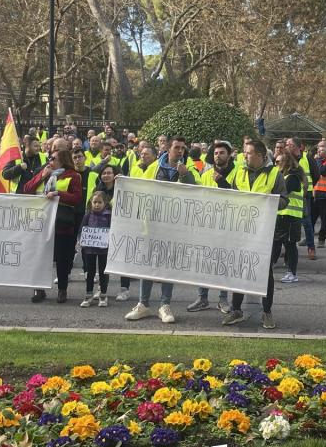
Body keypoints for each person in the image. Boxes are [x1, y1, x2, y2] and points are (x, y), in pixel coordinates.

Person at [124, 136, 196, 323]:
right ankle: (143, 304)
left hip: (173, 227)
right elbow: (140, 189)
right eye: (177, 147)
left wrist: (185, 175)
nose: (180, 151)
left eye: (182, 148)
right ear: (168, 149)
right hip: (151, 225)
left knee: (167, 267)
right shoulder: (154, 167)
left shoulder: (189, 169)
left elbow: (195, 193)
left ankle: (165, 305)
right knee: (147, 266)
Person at [222, 139, 287, 329]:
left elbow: (284, 201)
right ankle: (236, 310)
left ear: (260, 155)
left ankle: (267, 312)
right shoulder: (238, 172)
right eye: (244, 152)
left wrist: (268, 201)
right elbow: (231, 196)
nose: (244, 155)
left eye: (248, 153)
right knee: (239, 270)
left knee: (265, 274)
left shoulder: (275, 175)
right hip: (240, 231)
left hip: (263, 233)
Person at [24, 149, 83, 304]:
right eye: (49, 157)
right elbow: (27, 189)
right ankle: (39, 289)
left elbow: (76, 198)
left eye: (53, 158)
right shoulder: (45, 173)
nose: (50, 160)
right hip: (42, 223)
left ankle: (62, 290)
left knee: (62, 260)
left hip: (62, 224)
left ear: (62, 160)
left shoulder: (73, 175)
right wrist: (42, 176)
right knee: (40, 258)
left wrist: (58, 194)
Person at [187, 141, 235, 313]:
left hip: (228, 226)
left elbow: (238, 198)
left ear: (229, 155)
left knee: (222, 263)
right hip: (207, 226)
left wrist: (222, 182)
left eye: (222, 153)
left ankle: (223, 299)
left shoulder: (237, 173)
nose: (218, 155)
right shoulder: (206, 174)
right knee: (204, 262)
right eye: (215, 153)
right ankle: (202, 298)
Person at [274, 151, 304, 283]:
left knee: (290, 245)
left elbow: (280, 192)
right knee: (276, 243)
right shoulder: (285, 176)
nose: (276, 164)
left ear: (285, 163)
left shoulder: (292, 178)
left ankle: (292, 273)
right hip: (282, 215)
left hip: (291, 216)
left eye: (278, 162)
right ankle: (269, 268)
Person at [286, 138, 319, 260]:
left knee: (306, 222)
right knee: (289, 222)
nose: (288, 146)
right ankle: (289, 247)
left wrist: (307, 188)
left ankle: (311, 248)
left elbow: (316, 175)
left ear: (299, 147)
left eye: (291, 145)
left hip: (305, 194)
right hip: (289, 194)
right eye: (287, 144)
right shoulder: (286, 159)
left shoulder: (308, 158)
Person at [79, 193, 112, 308]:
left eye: (99, 202)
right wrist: (81, 240)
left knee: (103, 272)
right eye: (95, 202)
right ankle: (88, 294)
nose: (97, 205)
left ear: (105, 203)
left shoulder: (108, 216)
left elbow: (112, 231)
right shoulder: (87, 215)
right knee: (90, 272)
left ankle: (103, 294)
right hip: (90, 249)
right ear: (91, 203)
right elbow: (82, 229)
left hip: (104, 249)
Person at [311, 143, 326, 249]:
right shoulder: (316, 161)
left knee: (325, 220)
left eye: (321, 151)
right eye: (318, 151)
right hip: (315, 194)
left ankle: (321, 239)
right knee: (311, 219)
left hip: (325, 195)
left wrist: (318, 161)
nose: (319, 152)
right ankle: (309, 238)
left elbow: (322, 172)